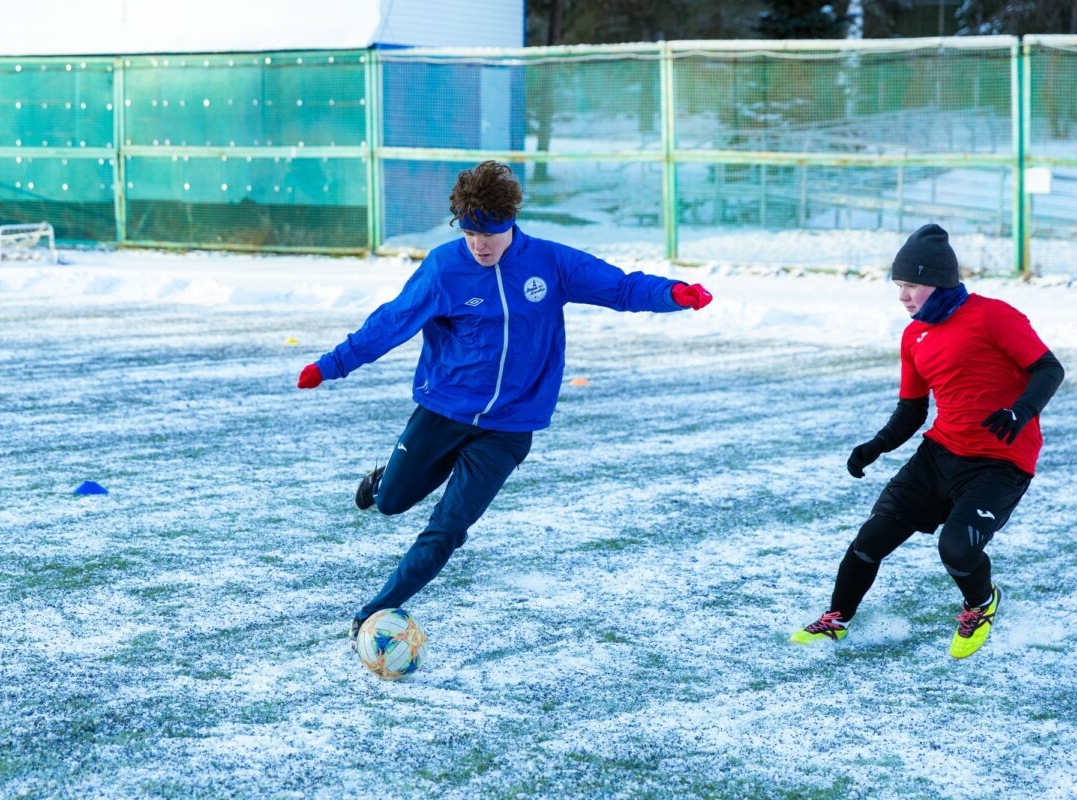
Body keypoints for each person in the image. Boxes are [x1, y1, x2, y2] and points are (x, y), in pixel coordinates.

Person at [296, 160, 714, 647]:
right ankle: (386, 481)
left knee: (447, 527)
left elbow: (619, 287)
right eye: (470, 233)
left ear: (509, 223)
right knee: (390, 504)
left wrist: (674, 293)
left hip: (509, 428)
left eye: (488, 233)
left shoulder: (549, 264)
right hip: (442, 413)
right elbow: (390, 324)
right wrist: (330, 365)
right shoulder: (443, 269)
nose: (479, 244)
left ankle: (376, 609)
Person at [790, 223, 1064, 659]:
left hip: (1000, 462)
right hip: (938, 455)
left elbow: (1049, 368)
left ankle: (981, 602)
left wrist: (1021, 411)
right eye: (898, 285)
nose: (903, 295)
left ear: (938, 282)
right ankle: (836, 619)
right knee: (870, 540)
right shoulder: (914, 335)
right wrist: (876, 446)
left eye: (911, 284)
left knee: (956, 548)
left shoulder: (993, 315)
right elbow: (912, 410)